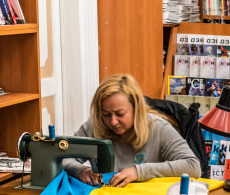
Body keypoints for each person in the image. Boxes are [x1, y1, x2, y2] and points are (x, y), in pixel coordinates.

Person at [63, 74, 201, 187]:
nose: (113, 121)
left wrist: (139, 171)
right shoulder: (94, 126)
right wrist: (80, 170)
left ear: (137, 109)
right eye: (106, 114)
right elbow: (62, 157)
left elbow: (192, 166)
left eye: (120, 114)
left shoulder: (158, 128)